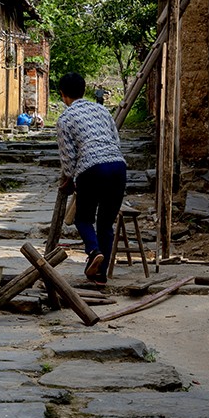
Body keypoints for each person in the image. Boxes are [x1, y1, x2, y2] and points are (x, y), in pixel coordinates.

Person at [53, 72, 128, 283]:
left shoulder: (65, 119)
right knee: (105, 224)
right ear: (84, 90)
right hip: (117, 166)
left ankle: (94, 252)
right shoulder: (102, 110)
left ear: (62, 94)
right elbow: (115, 139)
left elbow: (68, 156)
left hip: (92, 169)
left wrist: (70, 178)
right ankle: (100, 275)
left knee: (83, 219)